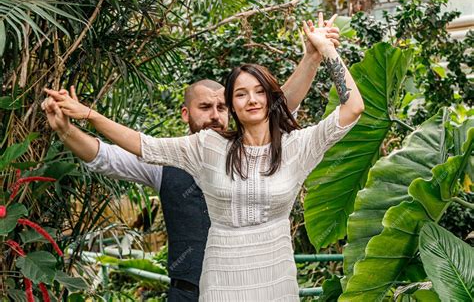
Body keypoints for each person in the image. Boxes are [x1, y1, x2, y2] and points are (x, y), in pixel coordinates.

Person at [42, 15, 343, 301]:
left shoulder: (260, 145)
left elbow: (278, 105)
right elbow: (106, 155)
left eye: (222, 107)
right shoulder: (171, 157)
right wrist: (67, 130)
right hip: (188, 292)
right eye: (205, 107)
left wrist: (313, 56)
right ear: (186, 113)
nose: (215, 115)